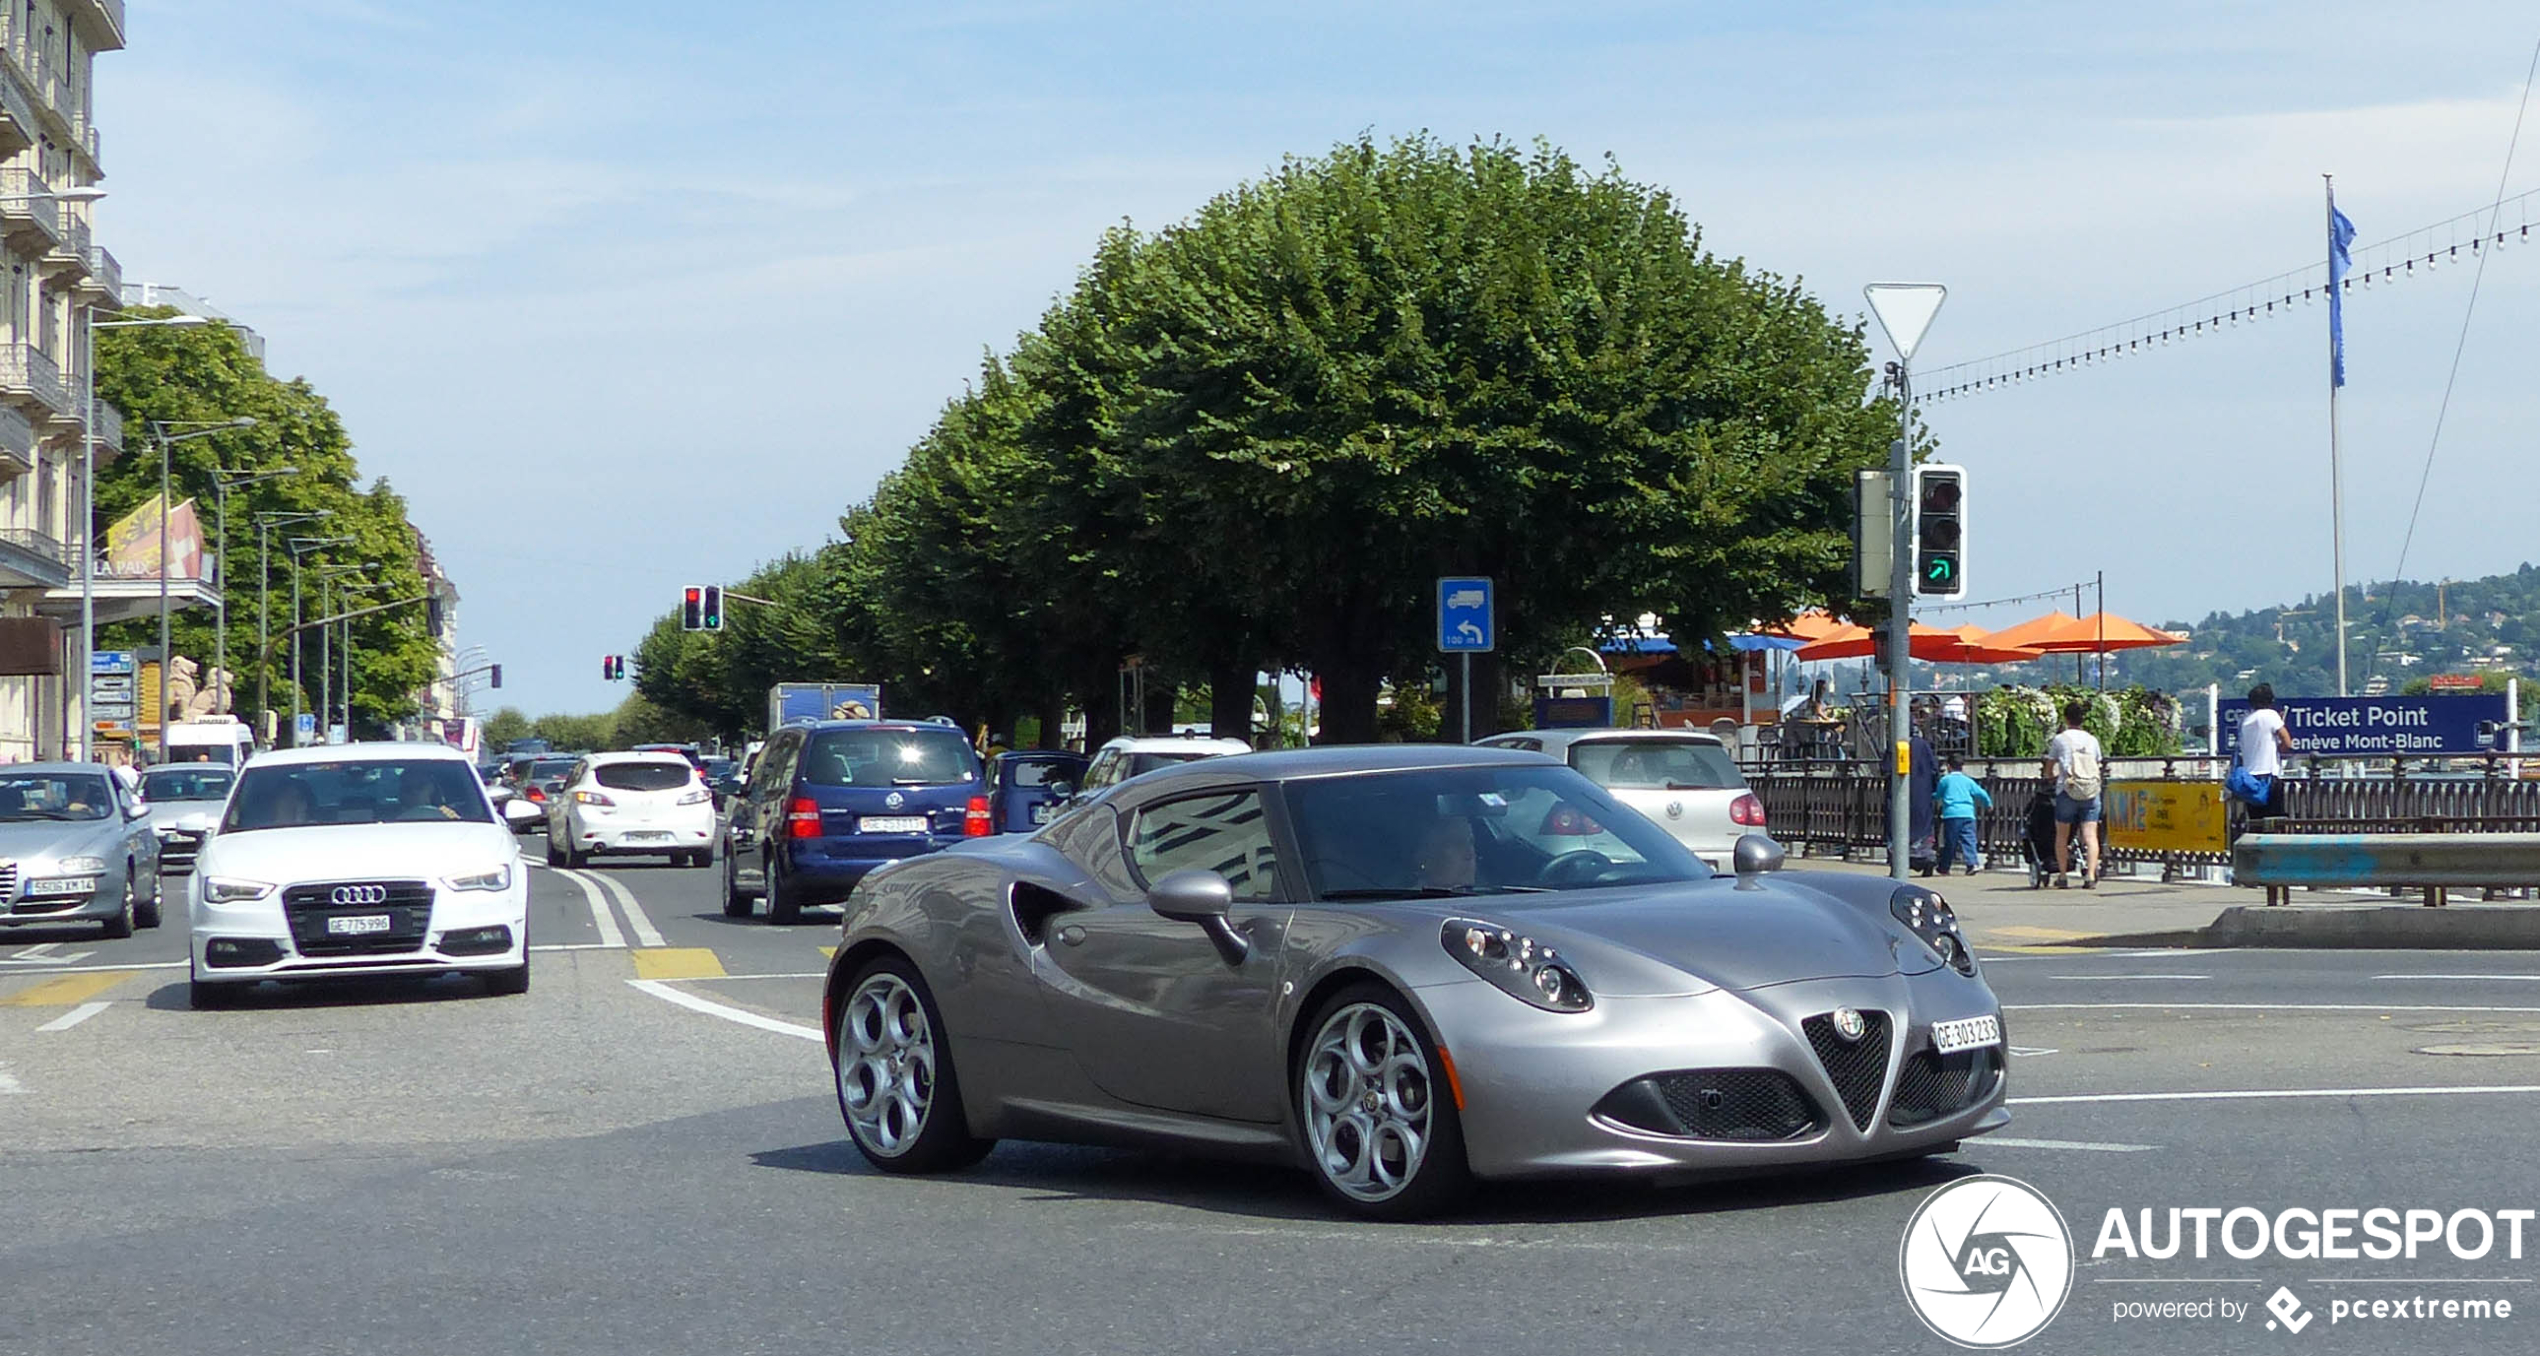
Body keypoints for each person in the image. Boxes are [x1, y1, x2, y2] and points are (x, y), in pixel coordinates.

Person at [2041, 699, 2105, 889]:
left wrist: (2050, 778)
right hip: (2090, 790)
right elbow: (2097, 763)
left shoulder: (2061, 739)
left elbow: (2050, 765)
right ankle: (2091, 876)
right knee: (2090, 835)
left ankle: (2063, 876)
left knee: (2062, 835)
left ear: (2066, 718)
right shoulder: (2091, 739)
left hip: (2067, 789)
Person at [2229, 682, 2294, 821]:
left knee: (2255, 822)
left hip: (2249, 779)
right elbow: (2287, 741)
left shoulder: (2245, 721)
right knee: (2275, 820)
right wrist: (2279, 750)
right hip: (2269, 776)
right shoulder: (2271, 715)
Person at [1933, 755, 1993, 876]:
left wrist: (1930, 796)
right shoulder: (1968, 781)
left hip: (1952, 814)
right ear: (1962, 767)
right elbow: (1981, 793)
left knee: (1951, 842)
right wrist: (1988, 804)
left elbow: (1938, 795)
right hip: (1968, 814)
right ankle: (1972, 863)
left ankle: (1944, 867)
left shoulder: (1945, 780)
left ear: (1949, 767)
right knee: (1969, 839)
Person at [1412, 818, 1477, 891]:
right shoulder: (1407, 901)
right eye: (1458, 843)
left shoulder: (1487, 897)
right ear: (1427, 858)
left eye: (1471, 842)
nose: (1470, 854)